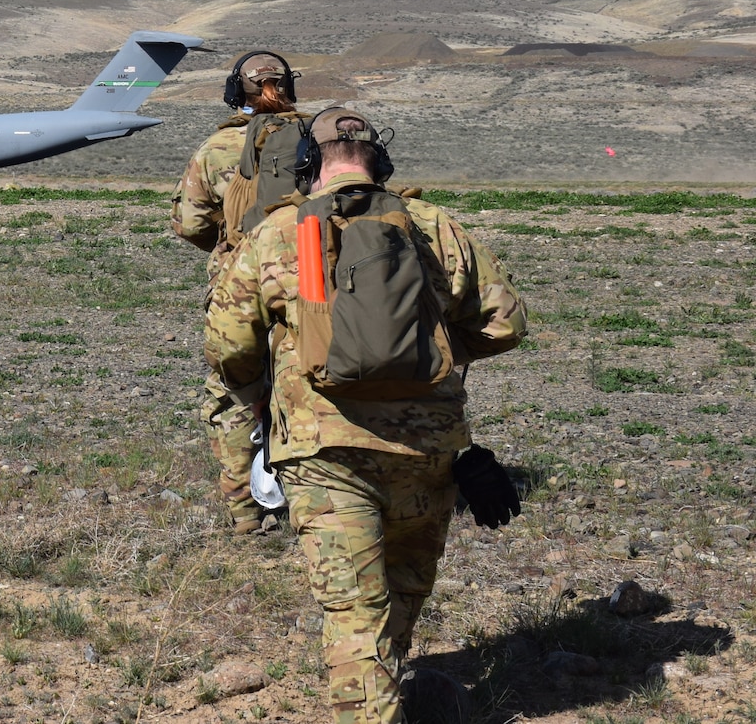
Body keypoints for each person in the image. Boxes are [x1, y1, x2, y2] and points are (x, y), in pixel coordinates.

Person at [205, 107, 526, 724]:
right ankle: (388, 696)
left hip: (321, 452)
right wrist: (435, 353)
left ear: (307, 164)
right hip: (426, 453)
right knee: (402, 590)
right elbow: (505, 323)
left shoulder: (276, 233)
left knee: (353, 615)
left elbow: (228, 347)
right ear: (379, 161)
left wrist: (264, 392)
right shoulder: (434, 226)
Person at [172, 50, 308, 533]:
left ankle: (246, 516)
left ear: (236, 91)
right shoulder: (322, 140)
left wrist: (234, 249)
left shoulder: (217, 148)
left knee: (232, 394)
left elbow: (190, 224)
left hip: (238, 289)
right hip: (310, 286)